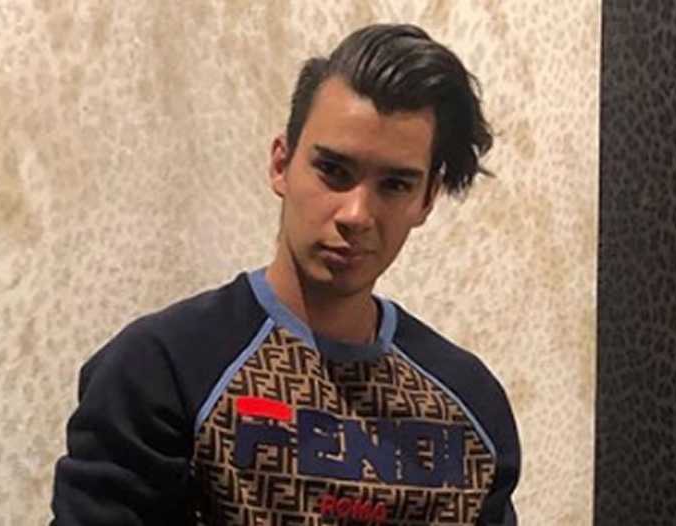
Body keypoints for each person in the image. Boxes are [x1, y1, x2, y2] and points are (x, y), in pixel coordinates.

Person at [50, 23, 520, 525]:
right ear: (281, 164)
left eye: (395, 185)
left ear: (426, 200)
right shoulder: (163, 370)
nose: (357, 214)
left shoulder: (470, 405)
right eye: (333, 171)